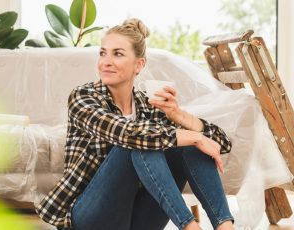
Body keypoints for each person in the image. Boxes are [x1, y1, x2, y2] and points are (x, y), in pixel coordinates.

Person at [35, 18, 234, 230]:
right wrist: (193, 136)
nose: (106, 61)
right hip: (90, 218)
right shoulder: (83, 97)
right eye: (103, 53)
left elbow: (222, 143)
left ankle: (225, 226)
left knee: (188, 147)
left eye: (117, 54)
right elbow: (128, 132)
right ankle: (189, 227)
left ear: (139, 65)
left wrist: (180, 116)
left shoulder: (148, 106)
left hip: (137, 220)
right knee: (138, 143)